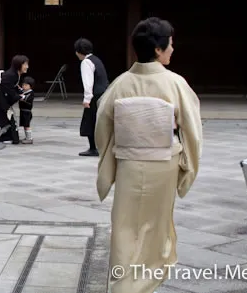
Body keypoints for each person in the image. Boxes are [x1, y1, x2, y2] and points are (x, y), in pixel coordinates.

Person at [94, 17, 202, 293]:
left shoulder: (120, 84)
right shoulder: (175, 84)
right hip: (163, 166)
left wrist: (113, 157)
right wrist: (188, 167)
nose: (172, 49)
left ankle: (122, 284)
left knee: (124, 226)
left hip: (129, 166)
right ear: (157, 49)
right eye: (170, 44)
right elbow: (193, 132)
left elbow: (102, 129)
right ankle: (144, 283)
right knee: (155, 227)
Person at [75, 38, 109, 157]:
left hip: (95, 95)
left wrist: (87, 99)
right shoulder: (96, 60)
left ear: (78, 51)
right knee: (98, 121)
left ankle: (93, 147)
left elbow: (88, 82)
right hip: (103, 93)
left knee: (90, 121)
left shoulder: (86, 62)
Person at [0, 55, 29, 143]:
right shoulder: (11, 75)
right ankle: (4, 138)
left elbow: (12, 87)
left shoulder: (15, 74)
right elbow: (8, 89)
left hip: (0, 96)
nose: (27, 66)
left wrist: (20, 92)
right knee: (2, 117)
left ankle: (10, 137)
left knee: (8, 117)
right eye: (25, 64)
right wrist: (19, 96)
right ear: (18, 64)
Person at [19, 76, 35, 144]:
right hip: (22, 111)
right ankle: (27, 137)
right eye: (23, 85)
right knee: (24, 125)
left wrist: (21, 97)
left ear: (30, 86)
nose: (24, 86)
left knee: (27, 125)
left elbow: (26, 98)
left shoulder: (31, 93)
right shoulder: (23, 91)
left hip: (27, 112)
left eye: (26, 85)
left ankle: (29, 138)